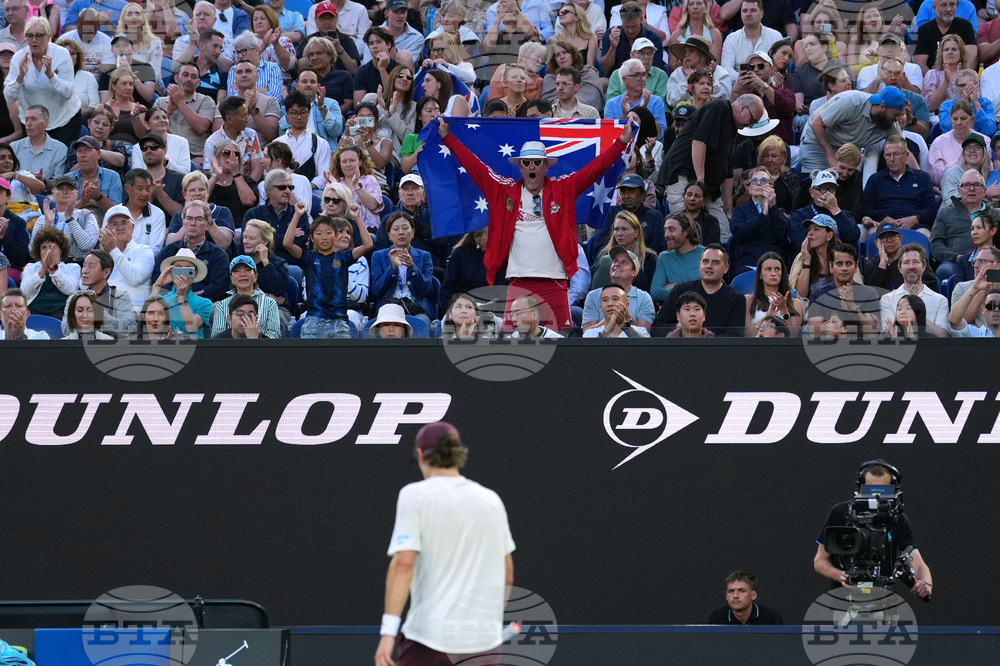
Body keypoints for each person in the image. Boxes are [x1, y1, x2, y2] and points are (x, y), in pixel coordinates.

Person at [439, 117, 632, 331]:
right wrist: (448, 137)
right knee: (510, 337)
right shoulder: (503, 191)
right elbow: (475, 166)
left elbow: (596, 168)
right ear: (520, 167)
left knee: (564, 336)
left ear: (546, 166)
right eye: (526, 162)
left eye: (537, 162)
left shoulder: (564, 188)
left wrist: (622, 141)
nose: (532, 166)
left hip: (555, 279)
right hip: (518, 280)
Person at [375, 421, 515, 666]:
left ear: (420, 455)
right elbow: (507, 576)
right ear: (457, 453)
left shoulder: (414, 496)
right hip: (483, 643)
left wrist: (388, 633)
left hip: (429, 639)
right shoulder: (491, 500)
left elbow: (403, 566)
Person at [814, 460, 932, 600]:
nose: (876, 496)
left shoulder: (898, 519)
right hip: (845, 601)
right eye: (870, 489)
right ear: (860, 487)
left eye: (882, 490)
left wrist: (925, 582)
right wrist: (841, 576)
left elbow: (916, 561)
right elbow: (819, 561)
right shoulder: (841, 513)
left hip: (884, 600)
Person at [660, 95, 765, 242]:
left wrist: (728, 209)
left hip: (709, 188)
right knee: (685, 233)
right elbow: (698, 142)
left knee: (724, 235)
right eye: (752, 120)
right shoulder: (719, 107)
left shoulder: (734, 129)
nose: (751, 125)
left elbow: (727, 173)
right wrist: (700, 183)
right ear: (743, 108)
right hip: (684, 179)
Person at [283, 207, 373, 339]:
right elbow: (287, 243)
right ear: (312, 238)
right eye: (319, 233)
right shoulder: (309, 258)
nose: (324, 237)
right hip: (313, 319)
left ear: (336, 236)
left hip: (339, 320)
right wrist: (297, 215)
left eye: (328, 232)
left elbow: (367, 245)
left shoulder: (343, 258)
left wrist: (358, 218)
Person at [3, 17, 81, 148]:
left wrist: (51, 75)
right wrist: (20, 77)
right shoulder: (19, 58)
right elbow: (10, 97)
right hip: (32, 122)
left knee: (57, 161)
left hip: (63, 119)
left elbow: (68, 93)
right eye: (29, 36)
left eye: (39, 36)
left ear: (49, 36)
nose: (34, 40)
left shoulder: (62, 54)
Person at [799, 88, 904, 173]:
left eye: (901, 114)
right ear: (882, 107)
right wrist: (832, 160)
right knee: (818, 184)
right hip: (818, 142)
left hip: (848, 151)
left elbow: (902, 151)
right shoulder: (851, 102)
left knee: (848, 188)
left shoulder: (891, 124)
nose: (899, 119)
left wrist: (917, 173)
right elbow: (817, 125)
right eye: (896, 114)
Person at [653, 244, 746, 336]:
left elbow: (734, 337)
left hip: (716, 350)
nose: (709, 266)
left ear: (726, 268)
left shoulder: (736, 299)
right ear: (699, 265)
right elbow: (657, 327)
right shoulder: (681, 289)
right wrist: (678, 329)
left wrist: (704, 336)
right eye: (705, 261)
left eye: (716, 262)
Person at [150, 200, 230, 302]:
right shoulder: (168, 252)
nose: (193, 223)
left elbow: (219, 287)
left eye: (199, 219)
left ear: (207, 225)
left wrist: (192, 298)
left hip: (204, 304)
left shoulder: (219, 255)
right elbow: (157, 279)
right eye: (189, 218)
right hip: (172, 302)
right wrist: (177, 296)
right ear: (183, 222)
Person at [862, 134, 937, 239]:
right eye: (888, 155)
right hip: (883, 225)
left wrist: (916, 218)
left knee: (924, 235)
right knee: (872, 235)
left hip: (916, 225)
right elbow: (866, 207)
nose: (892, 159)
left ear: (906, 155)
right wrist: (884, 218)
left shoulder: (922, 177)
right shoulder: (875, 179)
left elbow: (931, 208)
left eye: (896, 154)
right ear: (884, 157)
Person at [371, 211, 436, 322]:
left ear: (413, 233)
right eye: (396, 229)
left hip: (417, 308)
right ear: (389, 235)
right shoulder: (379, 256)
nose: (401, 232)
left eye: (405, 228)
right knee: (388, 324)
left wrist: (412, 268)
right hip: (388, 307)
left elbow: (427, 290)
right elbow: (377, 291)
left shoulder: (424, 256)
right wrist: (392, 268)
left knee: (419, 323)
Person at [805, 242, 879, 334]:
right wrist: (839, 319)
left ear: (856, 267)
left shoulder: (869, 293)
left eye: (848, 263)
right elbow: (814, 331)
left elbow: (873, 331)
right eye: (839, 264)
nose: (844, 268)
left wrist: (854, 310)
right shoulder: (819, 294)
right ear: (831, 267)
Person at [932, 169, 992, 281]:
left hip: (991, 261)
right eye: (967, 185)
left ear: (984, 191)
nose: (972, 188)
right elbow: (935, 244)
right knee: (944, 271)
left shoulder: (995, 214)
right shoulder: (945, 213)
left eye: (977, 185)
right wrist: (955, 257)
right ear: (959, 191)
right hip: (955, 262)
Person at [728, 165, 791, 273]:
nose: (758, 183)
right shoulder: (740, 210)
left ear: (771, 187)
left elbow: (785, 234)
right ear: (750, 188)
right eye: (754, 181)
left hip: (774, 266)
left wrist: (772, 209)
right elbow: (737, 231)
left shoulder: (778, 212)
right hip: (747, 265)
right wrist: (762, 216)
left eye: (763, 181)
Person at [152, 62, 215, 169]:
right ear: (176, 78)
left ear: (198, 82)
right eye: (185, 75)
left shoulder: (206, 101)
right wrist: (169, 112)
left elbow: (201, 127)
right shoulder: (160, 102)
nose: (189, 79)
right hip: (166, 151)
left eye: (194, 77)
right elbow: (153, 131)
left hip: (195, 153)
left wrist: (180, 103)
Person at [61, 247, 133, 337]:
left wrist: (100, 315)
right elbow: (65, 331)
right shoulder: (74, 299)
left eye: (91, 266)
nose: (85, 271)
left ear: (106, 272)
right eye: (84, 266)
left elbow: (128, 330)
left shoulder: (121, 297)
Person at [592, 173, 666, 260]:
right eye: (623, 192)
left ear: (642, 194)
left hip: (644, 266)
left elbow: (656, 250)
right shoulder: (610, 213)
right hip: (613, 265)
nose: (626, 196)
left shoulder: (655, 217)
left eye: (632, 191)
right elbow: (599, 247)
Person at [582, 245, 655, 332]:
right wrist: (609, 319)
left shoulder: (644, 298)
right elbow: (587, 335)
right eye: (615, 261)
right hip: (601, 344)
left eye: (624, 262)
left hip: (631, 345)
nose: (617, 264)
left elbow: (645, 337)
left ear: (634, 272)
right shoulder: (593, 296)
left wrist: (626, 317)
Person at [878, 243, 949, 331]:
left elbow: (943, 336)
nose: (911, 267)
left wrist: (917, 311)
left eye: (915, 262)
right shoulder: (887, 299)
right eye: (906, 262)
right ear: (900, 268)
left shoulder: (940, 300)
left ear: (924, 267)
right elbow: (887, 336)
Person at [730, 50, 793, 146]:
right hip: (748, 147)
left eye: (760, 66)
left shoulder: (784, 92)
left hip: (778, 147)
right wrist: (735, 90)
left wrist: (763, 86)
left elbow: (787, 108)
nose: (755, 70)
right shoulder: (745, 94)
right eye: (751, 67)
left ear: (772, 69)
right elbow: (730, 114)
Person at [148, 246, 213, 338]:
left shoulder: (204, 303)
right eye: (178, 269)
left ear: (195, 273)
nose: (182, 274)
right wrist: (157, 286)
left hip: (195, 350)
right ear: (171, 272)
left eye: (188, 270)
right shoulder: (162, 300)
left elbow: (191, 327)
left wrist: (181, 297)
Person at [210, 254, 280, 338]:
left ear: (255, 276)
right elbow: (216, 338)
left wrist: (255, 338)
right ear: (231, 278)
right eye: (237, 271)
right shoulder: (222, 305)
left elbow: (275, 337)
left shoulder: (270, 303)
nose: (242, 274)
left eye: (247, 270)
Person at [99, 204, 153, 309]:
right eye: (114, 224)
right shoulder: (101, 254)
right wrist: (101, 257)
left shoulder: (144, 251)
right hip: (102, 312)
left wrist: (113, 250)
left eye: (124, 223)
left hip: (132, 315)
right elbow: (84, 285)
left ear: (132, 227)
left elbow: (136, 279)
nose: (120, 228)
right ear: (107, 229)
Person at [439, 227, 505, 313]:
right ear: (477, 238)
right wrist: (448, 314)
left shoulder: (500, 256)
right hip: (463, 309)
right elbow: (448, 288)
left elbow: (503, 291)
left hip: (491, 311)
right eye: (491, 235)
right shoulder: (460, 254)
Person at [789, 169, 858, 250]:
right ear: (811, 192)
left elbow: (853, 236)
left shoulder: (843, 214)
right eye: (822, 189)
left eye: (831, 189)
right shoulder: (800, 215)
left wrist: (835, 210)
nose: (827, 193)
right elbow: (801, 243)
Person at [32, 176, 97, 260]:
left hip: (74, 263)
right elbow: (32, 249)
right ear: (53, 193)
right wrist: (47, 224)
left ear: (76, 194)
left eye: (70, 188)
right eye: (60, 188)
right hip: (46, 262)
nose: (65, 192)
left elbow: (86, 246)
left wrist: (70, 219)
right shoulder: (43, 218)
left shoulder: (86, 215)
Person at [21, 225, 79, 315]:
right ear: (39, 251)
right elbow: (24, 293)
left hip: (62, 311)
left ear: (60, 250)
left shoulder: (73, 267)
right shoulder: (30, 267)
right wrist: (42, 270)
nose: (48, 251)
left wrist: (53, 269)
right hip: (34, 311)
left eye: (52, 247)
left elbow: (70, 290)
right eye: (44, 247)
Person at [203, 96, 263, 183]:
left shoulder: (251, 135)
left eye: (247, 114)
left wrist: (247, 186)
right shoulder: (212, 142)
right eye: (243, 116)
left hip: (248, 185)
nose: (247, 119)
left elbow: (257, 169)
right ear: (229, 118)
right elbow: (208, 173)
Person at [219, 60, 281, 144]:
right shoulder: (225, 103)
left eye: (248, 71)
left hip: (261, 153)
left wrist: (254, 111)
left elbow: (271, 135)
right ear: (235, 79)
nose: (244, 75)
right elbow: (217, 133)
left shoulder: (271, 101)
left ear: (257, 77)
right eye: (239, 72)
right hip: (229, 151)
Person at [720, 0, 782, 81]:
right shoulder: (731, 39)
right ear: (741, 14)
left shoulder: (775, 36)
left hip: (769, 85)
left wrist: (762, 83)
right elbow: (726, 68)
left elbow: (779, 68)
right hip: (739, 85)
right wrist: (746, 78)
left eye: (753, 10)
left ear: (761, 14)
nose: (748, 14)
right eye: (745, 11)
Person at [604, 58, 666, 139]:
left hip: (648, 148)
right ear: (624, 79)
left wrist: (643, 111)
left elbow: (660, 134)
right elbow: (609, 136)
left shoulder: (656, 101)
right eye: (637, 75)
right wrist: (624, 116)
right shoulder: (611, 104)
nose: (642, 79)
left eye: (643, 75)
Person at [928, 100, 987, 185]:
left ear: (972, 119)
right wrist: (961, 160)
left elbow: (988, 171)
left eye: (963, 119)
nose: (958, 123)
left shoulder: (985, 140)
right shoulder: (939, 142)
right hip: (949, 187)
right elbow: (935, 177)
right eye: (955, 119)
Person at [295, 1, 360, 76]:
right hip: (316, 81)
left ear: (336, 19)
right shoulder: (308, 41)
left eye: (330, 18)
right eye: (323, 19)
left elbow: (354, 70)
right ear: (316, 20)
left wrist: (339, 48)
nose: (326, 22)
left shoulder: (346, 40)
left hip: (342, 82)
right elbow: (299, 67)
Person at [600, 1, 664, 77]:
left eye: (634, 27)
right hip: (617, 79)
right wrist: (612, 48)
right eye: (626, 27)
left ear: (641, 19)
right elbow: (605, 69)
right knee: (603, 82)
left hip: (645, 80)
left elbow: (655, 73)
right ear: (621, 20)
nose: (630, 31)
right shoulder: (611, 35)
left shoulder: (653, 38)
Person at [651, 211, 704, 302]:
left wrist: (676, 287)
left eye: (671, 230)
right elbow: (655, 292)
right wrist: (696, 290)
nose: (666, 235)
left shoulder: (706, 254)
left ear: (687, 231)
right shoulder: (664, 258)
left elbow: (714, 288)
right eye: (665, 230)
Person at [666, 36, 731, 110]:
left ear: (702, 53)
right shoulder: (678, 73)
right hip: (685, 115)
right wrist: (688, 79)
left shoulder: (720, 72)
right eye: (685, 51)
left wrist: (710, 76)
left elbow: (724, 98)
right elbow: (671, 101)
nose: (687, 55)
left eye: (691, 50)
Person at [339, 100, 392, 190]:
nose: (365, 121)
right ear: (355, 120)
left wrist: (367, 141)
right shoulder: (350, 141)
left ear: (375, 121)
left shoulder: (385, 142)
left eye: (369, 117)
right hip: (350, 186)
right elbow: (336, 160)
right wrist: (346, 133)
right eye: (361, 117)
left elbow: (380, 164)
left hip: (377, 185)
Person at [744, 250, 801, 335]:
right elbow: (747, 335)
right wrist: (768, 316)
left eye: (777, 269)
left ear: (782, 274)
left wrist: (784, 311)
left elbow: (792, 336)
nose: (773, 273)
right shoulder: (749, 300)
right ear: (760, 274)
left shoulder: (795, 303)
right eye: (768, 269)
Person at [10, 105, 66, 189]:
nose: (28, 124)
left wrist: (43, 181)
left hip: (46, 196)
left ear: (46, 122)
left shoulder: (60, 149)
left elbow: (59, 181)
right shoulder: (14, 147)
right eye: (26, 119)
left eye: (33, 119)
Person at [287, 66, 346, 145]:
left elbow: (336, 132)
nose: (308, 85)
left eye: (312, 82)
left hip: (326, 152)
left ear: (318, 86)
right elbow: (284, 134)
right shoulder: (287, 107)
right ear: (296, 86)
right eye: (304, 82)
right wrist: (289, 106)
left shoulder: (331, 104)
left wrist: (322, 108)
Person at [913, 0, 977, 73]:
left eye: (952, 5)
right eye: (944, 5)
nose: (949, 9)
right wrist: (933, 79)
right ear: (934, 8)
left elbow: (972, 57)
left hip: (960, 78)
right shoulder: (924, 30)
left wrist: (960, 79)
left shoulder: (965, 26)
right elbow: (920, 62)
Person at [329, 143, 382, 230]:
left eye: (352, 160)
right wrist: (337, 186)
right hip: (340, 228)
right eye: (344, 161)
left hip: (367, 228)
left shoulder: (370, 179)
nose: (348, 164)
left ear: (360, 162)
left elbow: (373, 205)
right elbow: (330, 209)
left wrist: (356, 186)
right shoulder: (334, 182)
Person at [540, 41, 603, 112]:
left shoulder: (588, 72)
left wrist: (569, 105)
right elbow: (547, 104)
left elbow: (592, 98)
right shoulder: (550, 78)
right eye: (557, 55)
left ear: (573, 55)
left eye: (565, 52)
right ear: (554, 60)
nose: (562, 57)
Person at [172, 3, 235, 73]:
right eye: (198, 15)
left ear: (214, 20)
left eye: (207, 14)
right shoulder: (182, 40)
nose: (202, 17)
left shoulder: (226, 40)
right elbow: (176, 68)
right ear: (193, 19)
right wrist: (192, 42)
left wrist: (201, 43)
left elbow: (228, 67)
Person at [940, 133, 1000, 205]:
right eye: (968, 147)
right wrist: (985, 194)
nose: (972, 150)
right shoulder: (952, 174)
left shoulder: (988, 176)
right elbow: (952, 204)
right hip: (952, 216)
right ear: (963, 153)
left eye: (977, 147)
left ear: (984, 152)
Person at [241, 217, 289, 306]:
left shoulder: (278, 263)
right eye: (245, 237)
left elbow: (279, 291)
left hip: (275, 309)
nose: (245, 242)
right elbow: (234, 290)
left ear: (264, 242)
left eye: (251, 238)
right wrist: (266, 295)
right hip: (245, 307)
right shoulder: (239, 262)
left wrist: (266, 263)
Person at [302, 38, 355, 115]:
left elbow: (349, 104)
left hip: (337, 117)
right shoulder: (305, 79)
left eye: (319, 53)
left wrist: (327, 115)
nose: (314, 58)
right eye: (311, 54)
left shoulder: (344, 76)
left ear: (330, 56)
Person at [708, 571, 783, 625]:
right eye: (731, 591)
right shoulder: (717, 617)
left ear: (753, 595)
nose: (735, 596)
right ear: (726, 596)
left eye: (742, 591)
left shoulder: (771, 618)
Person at [937, 70, 995, 137]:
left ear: (977, 86)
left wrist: (976, 104)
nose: (966, 88)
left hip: (979, 142)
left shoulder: (986, 103)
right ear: (956, 87)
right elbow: (946, 128)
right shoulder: (946, 106)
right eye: (962, 85)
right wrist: (962, 103)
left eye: (969, 85)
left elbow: (989, 131)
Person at [581, 282, 650, 338]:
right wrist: (606, 332)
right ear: (601, 307)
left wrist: (624, 326)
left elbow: (645, 351)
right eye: (605, 300)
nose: (610, 304)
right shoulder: (590, 334)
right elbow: (588, 353)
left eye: (615, 299)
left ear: (626, 305)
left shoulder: (641, 331)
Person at [948, 265, 1000, 336]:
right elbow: (954, 321)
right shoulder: (973, 333)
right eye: (991, 306)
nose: (996, 309)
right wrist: (975, 287)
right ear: (982, 310)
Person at [667, 0, 723, 65]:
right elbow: (671, 66)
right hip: (683, 73)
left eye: (699, 3)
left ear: (706, 6)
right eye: (691, 4)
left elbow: (716, 63)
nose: (695, 7)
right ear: (686, 8)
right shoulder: (676, 34)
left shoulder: (715, 33)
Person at [117, 2, 162, 82]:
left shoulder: (155, 43)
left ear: (144, 20)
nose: (134, 17)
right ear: (123, 21)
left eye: (137, 14)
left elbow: (155, 74)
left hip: (149, 85)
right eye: (129, 14)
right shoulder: (117, 42)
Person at [353, 26, 398, 105]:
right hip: (370, 114)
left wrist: (382, 69)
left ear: (388, 45)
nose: (374, 46)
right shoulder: (362, 72)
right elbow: (358, 105)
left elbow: (395, 100)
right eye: (371, 43)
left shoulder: (399, 69)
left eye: (378, 42)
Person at [56, 38, 98, 118]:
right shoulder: (52, 77)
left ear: (78, 57)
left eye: (73, 53)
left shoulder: (88, 77)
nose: (70, 57)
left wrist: (74, 116)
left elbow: (94, 106)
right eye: (66, 53)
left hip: (81, 119)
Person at [249, 5, 295, 76]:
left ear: (271, 20)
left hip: (282, 82)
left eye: (263, 18)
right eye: (255, 19)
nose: (259, 22)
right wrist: (263, 46)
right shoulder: (246, 41)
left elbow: (290, 66)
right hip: (255, 83)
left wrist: (276, 44)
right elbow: (242, 64)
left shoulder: (284, 40)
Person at [551, 2, 598, 68]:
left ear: (577, 17)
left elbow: (590, 66)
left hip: (584, 76)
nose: (561, 14)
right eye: (559, 12)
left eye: (565, 12)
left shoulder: (591, 38)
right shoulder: (554, 40)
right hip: (561, 76)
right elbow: (551, 68)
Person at [0, 174, 29, 268]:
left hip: (10, 267)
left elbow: (22, 258)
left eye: (0, 191)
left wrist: (4, 236)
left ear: (8, 196)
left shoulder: (19, 223)